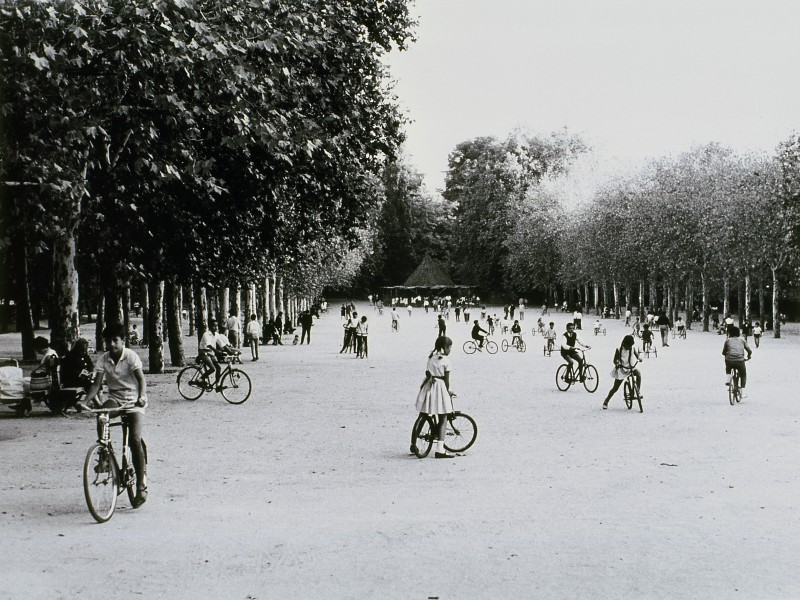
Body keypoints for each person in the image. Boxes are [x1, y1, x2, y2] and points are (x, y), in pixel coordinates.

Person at [79, 323, 148, 507]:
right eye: (108, 341)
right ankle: (105, 457)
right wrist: (84, 402)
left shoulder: (131, 356)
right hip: (116, 399)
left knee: (134, 439)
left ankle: (141, 483)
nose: (112, 344)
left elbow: (141, 380)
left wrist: (141, 396)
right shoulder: (103, 359)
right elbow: (96, 386)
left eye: (115, 340)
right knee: (102, 415)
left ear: (123, 341)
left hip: (134, 401)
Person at [412, 336, 457, 459]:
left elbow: (428, 373)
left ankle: (413, 443)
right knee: (443, 417)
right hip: (440, 388)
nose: (450, 349)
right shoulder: (446, 361)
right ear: (445, 348)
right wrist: (448, 392)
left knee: (424, 414)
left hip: (430, 386)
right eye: (450, 347)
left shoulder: (431, 358)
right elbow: (447, 381)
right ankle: (440, 450)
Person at [602, 335, 642, 411]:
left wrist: (639, 358)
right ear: (624, 343)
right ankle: (606, 401)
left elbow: (637, 356)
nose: (629, 347)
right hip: (622, 369)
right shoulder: (619, 349)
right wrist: (617, 363)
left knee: (639, 374)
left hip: (631, 368)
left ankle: (638, 391)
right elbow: (615, 360)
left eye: (630, 345)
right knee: (615, 388)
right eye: (628, 346)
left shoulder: (632, 348)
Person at [199, 319, 235, 386]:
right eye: (214, 326)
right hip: (204, 353)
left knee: (218, 368)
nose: (215, 327)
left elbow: (222, 344)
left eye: (216, 326)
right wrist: (217, 351)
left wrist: (230, 352)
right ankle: (200, 379)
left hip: (211, 353)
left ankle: (217, 384)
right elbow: (209, 345)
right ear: (210, 327)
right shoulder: (206, 334)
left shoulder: (216, 334)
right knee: (212, 369)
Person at [722, 326, 752, 394]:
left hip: (729, 360)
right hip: (740, 360)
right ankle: (742, 386)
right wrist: (749, 356)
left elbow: (723, 352)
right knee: (743, 373)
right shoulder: (742, 340)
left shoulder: (727, 340)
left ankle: (728, 379)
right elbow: (749, 351)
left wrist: (726, 355)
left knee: (728, 368)